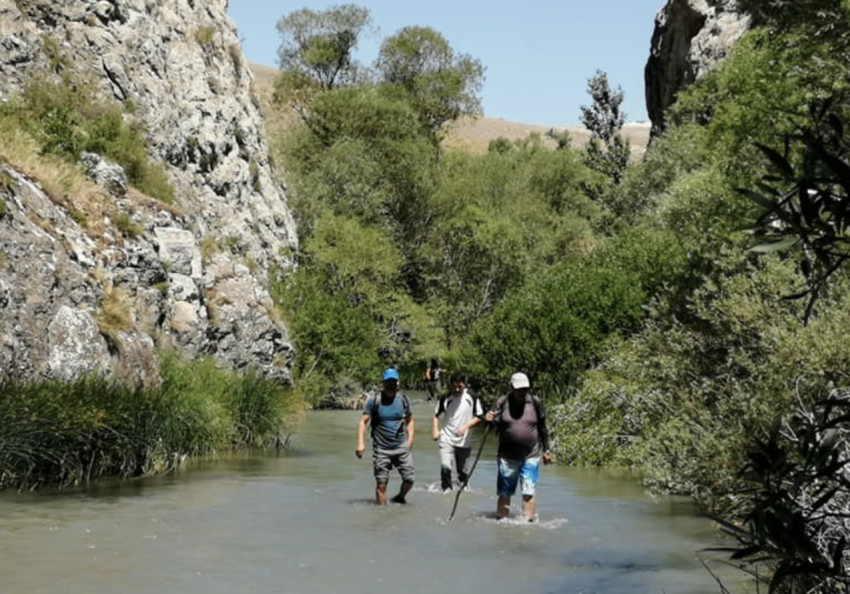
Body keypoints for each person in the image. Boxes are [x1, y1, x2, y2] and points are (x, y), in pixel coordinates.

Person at [484, 372, 552, 521]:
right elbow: (492, 427)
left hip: (531, 455)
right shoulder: (501, 402)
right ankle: (502, 522)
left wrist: (547, 450)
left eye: (525, 389)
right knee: (505, 492)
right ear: (511, 388)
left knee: (529, 490)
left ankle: (528, 523)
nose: (522, 392)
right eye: (518, 389)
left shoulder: (535, 402)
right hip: (507, 457)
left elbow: (542, 428)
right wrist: (488, 420)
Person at [355, 368, 415, 505]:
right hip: (381, 449)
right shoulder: (374, 401)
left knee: (409, 480)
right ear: (383, 383)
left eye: (393, 381)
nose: (391, 384)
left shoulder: (403, 400)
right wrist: (360, 443)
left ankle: (400, 497)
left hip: (401, 446)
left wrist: (410, 440)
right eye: (388, 381)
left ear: (397, 383)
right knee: (381, 484)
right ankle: (381, 514)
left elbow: (410, 421)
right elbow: (363, 422)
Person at [431, 371, 484, 492]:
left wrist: (466, 426)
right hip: (446, 438)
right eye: (453, 386)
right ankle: (445, 496)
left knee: (463, 475)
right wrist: (435, 430)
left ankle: (462, 497)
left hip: (464, 441)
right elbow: (435, 415)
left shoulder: (471, 396)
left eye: (459, 386)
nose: (456, 389)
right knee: (446, 469)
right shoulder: (445, 398)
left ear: (465, 384)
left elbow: (480, 416)